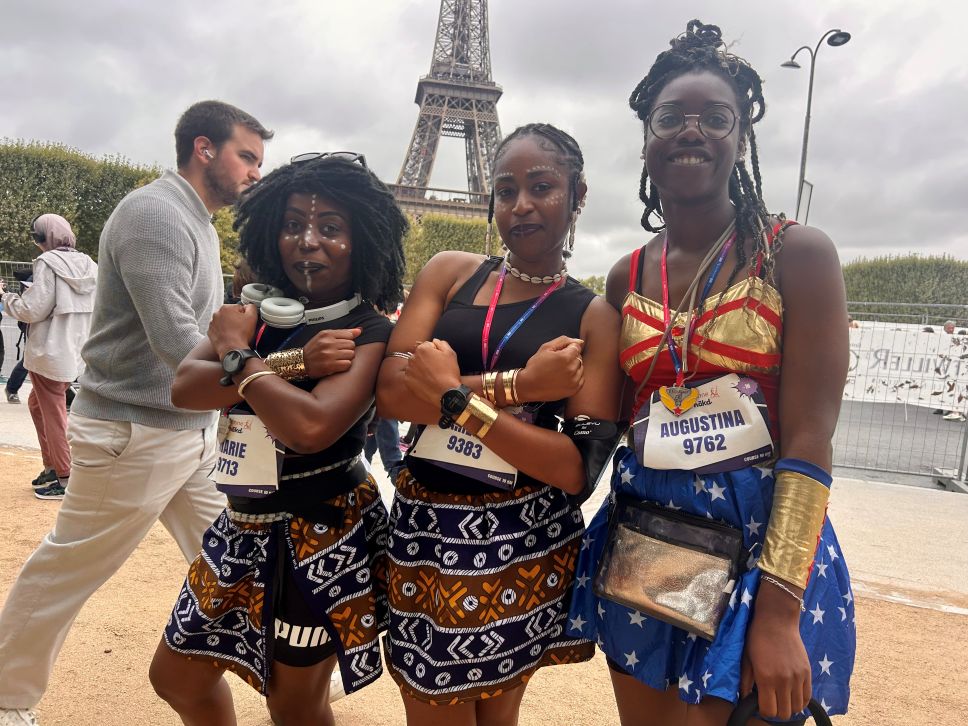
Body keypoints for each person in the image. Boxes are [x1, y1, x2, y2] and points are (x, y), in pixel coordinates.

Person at [568, 21, 855, 725]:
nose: (691, 131)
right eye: (671, 118)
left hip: (762, 550)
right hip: (646, 537)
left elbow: (812, 437)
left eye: (715, 118)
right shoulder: (624, 276)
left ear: (741, 138)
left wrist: (781, 612)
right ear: (645, 139)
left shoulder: (797, 256)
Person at [0, 100, 272, 725]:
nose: (256, 172)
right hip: (134, 431)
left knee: (234, 560)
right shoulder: (156, 214)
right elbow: (178, 340)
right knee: (68, 566)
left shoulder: (195, 219)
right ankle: (9, 698)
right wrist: (274, 377)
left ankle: (292, 673)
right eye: (247, 156)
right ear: (204, 148)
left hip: (181, 429)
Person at [377, 123, 622, 725]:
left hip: (521, 539)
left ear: (578, 195)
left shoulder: (594, 316)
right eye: (506, 189)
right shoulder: (449, 272)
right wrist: (521, 389)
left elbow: (575, 470)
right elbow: (388, 392)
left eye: (543, 187)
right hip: (427, 532)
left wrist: (453, 398)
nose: (522, 205)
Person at [149, 152, 407, 725]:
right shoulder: (256, 311)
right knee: (176, 678)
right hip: (241, 523)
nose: (307, 241)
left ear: (362, 239)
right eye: (293, 224)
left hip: (322, 536)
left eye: (329, 228)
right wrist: (289, 361)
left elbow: (310, 428)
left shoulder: (368, 329)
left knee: (294, 706)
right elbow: (184, 389)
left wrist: (241, 355)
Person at [0, 215, 97, 500]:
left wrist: (6, 299)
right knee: (38, 405)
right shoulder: (90, 264)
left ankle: (64, 475)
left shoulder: (47, 263)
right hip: (73, 350)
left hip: (48, 351)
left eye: (37, 238)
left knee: (53, 413)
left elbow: (32, 310)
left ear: (44, 239)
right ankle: (53, 466)